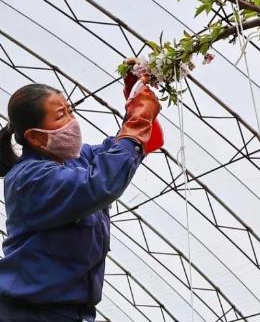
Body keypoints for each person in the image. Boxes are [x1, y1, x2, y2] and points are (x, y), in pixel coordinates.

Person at [0, 79, 161, 322]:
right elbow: (103, 182)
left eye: (70, 110)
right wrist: (137, 122)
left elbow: (132, 148)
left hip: (70, 312)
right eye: (61, 116)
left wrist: (136, 100)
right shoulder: (29, 179)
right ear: (35, 137)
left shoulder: (78, 158)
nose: (72, 122)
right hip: (29, 313)